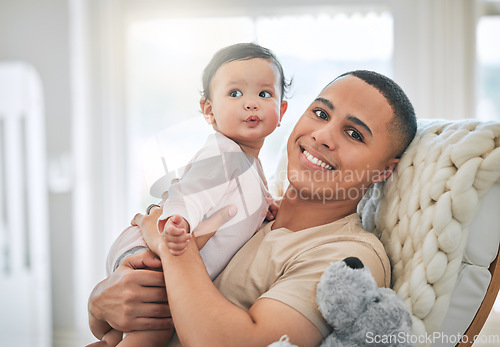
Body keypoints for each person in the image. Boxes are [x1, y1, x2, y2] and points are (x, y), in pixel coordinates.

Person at [88, 70, 417, 347]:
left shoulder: (349, 258)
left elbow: (239, 341)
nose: (322, 136)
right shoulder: (250, 203)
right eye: (320, 113)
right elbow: (122, 306)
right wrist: (100, 303)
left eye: (353, 133)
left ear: (384, 170)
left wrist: (173, 246)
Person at [88, 42, 289, 346]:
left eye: (264, 94)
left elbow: (239, 199)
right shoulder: (223, 154)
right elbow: (190, 192)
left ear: (281, 110)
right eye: (235, 93)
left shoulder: (250, 163)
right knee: (154, 329)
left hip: (170, 256)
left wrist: (266, 206)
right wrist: (177, 221)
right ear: (209, 110)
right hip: (152, 249)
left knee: (133, 328)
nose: (251, 103)